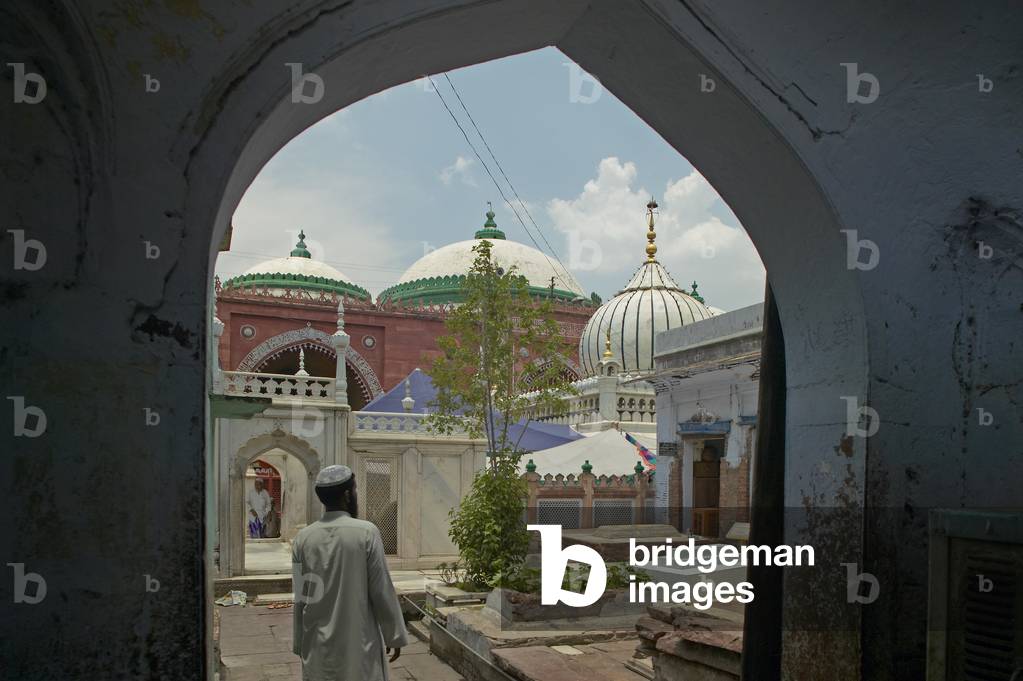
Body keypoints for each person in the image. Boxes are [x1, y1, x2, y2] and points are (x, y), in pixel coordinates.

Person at [292, 465, 408, 680]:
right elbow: (381, 589)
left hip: (317, 646)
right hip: (359, 643)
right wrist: (394, 636)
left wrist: (300, 641)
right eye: (354, 491)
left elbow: (301, 597)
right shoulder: (366, 532)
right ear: (347, 495)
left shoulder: (303, 539)